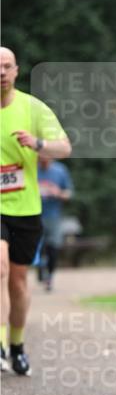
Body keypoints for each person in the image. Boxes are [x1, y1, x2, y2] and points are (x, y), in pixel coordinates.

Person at [0, 47, 71, 375]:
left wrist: (38, 144)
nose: (1, 72)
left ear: (16, 70)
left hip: (26, 209)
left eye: (7, 66)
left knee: (18, 283)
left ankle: (17, 346)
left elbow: (65, 147)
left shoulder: (33, 108)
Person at [37, 154, 74, 291]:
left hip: (54, 216)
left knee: (53, 248)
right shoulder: (31, 169)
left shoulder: (60, 170)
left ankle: (50, 276)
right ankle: (41, 268)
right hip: (34, 216)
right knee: (37, 247)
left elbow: (69, 194)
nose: (43, 159)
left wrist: (58, 193)